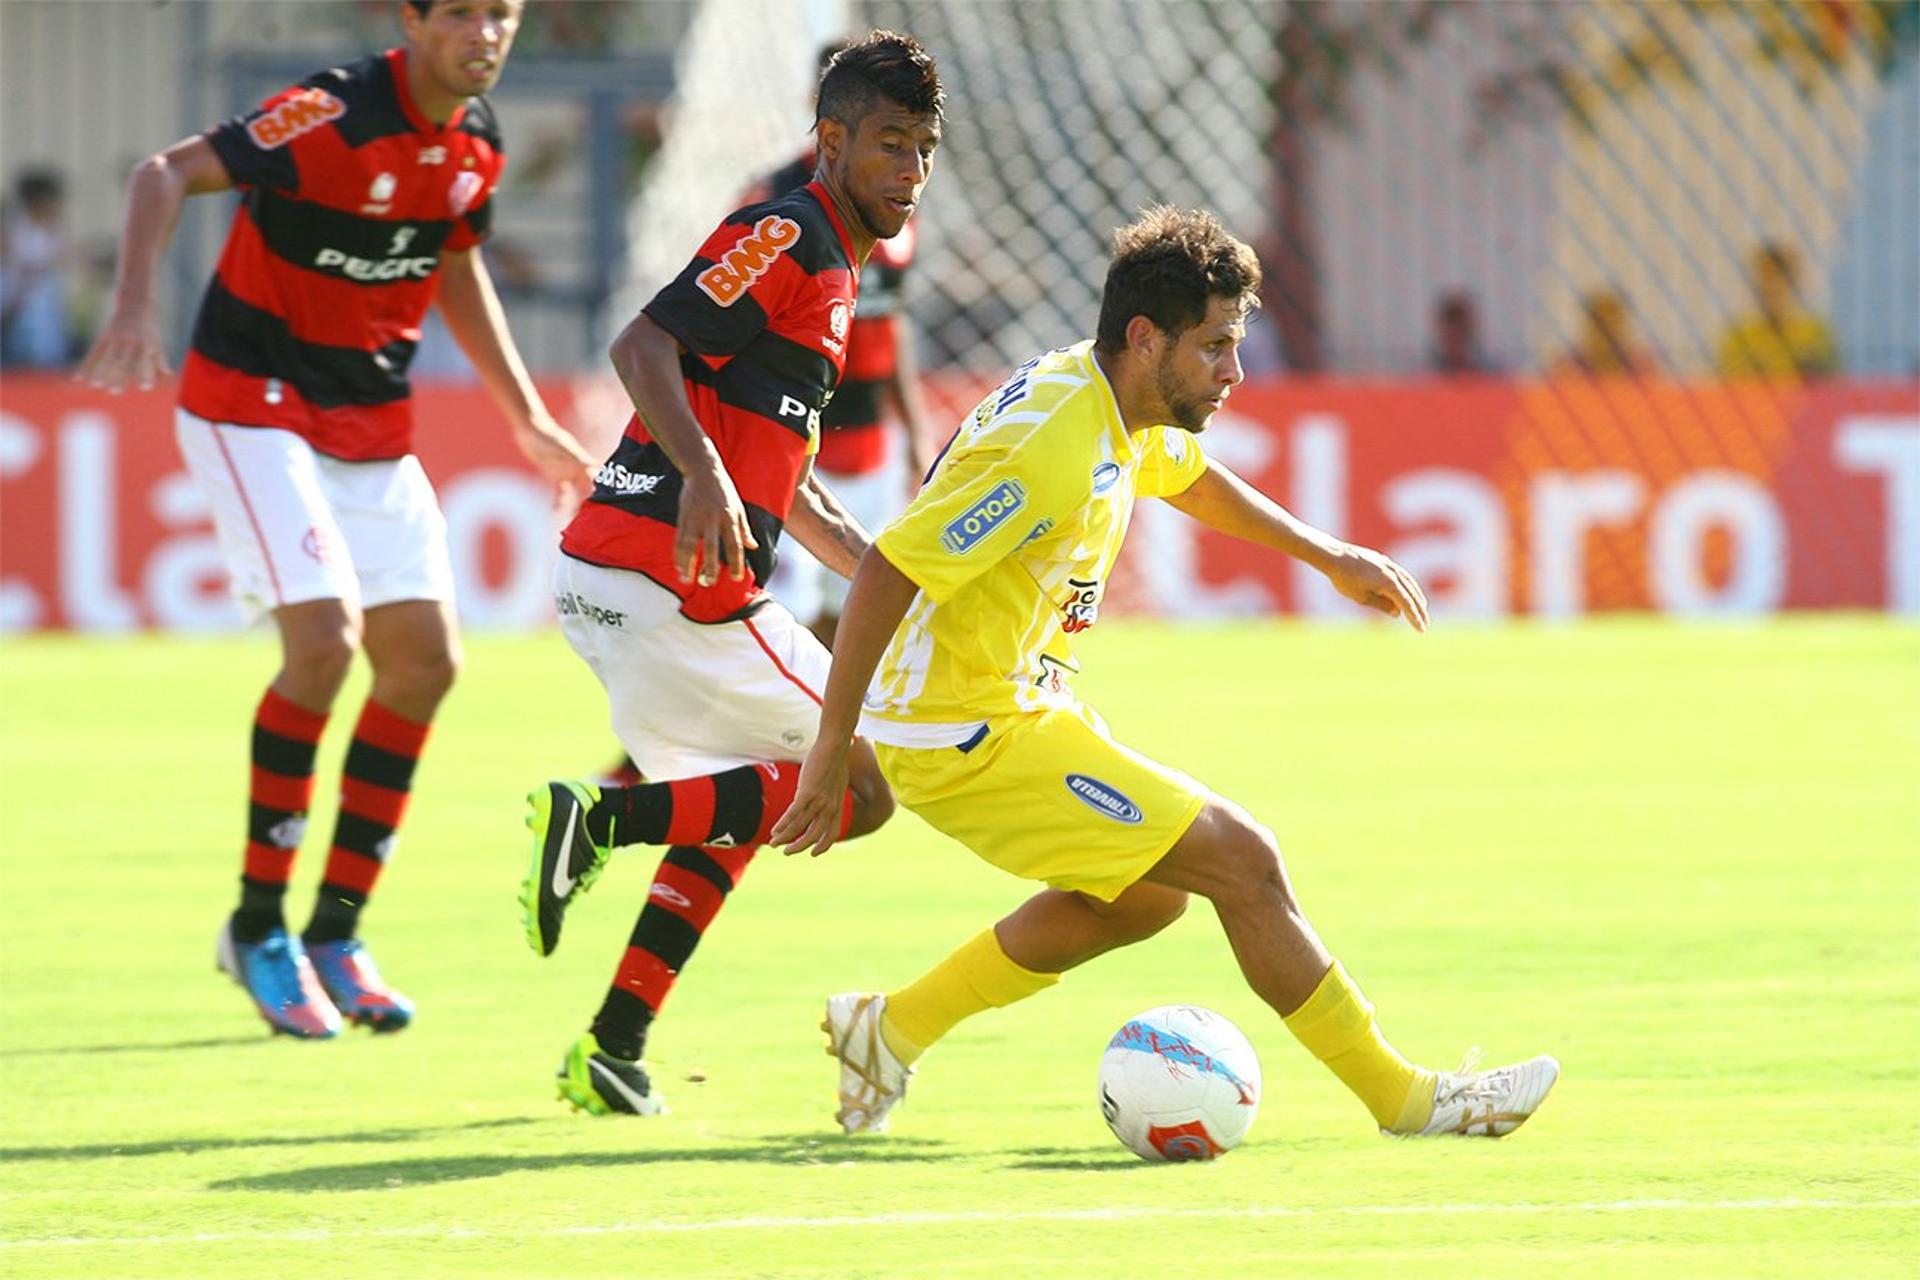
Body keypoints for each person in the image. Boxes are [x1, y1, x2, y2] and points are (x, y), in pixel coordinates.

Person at [772, 206, 1560, 1141]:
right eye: (1216, 347)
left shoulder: (1116, 398)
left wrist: (1327, 555)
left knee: (1149, 896)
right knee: (1243, 860)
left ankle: (890, 1028)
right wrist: (832, 745)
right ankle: (1407, 1100)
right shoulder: (1049, 446)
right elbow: (891, 569)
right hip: (961, 731)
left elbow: (1182, 473)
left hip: (1010, 702)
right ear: (1147, 339)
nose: (1233, 371)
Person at [76, 0, 596, 1040]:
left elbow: (454, 263)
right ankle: (257, 925)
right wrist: (133, 303)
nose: (484, 33)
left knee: (426, 663)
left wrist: (527, 417)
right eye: (459, 14)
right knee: (324, 641)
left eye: (501, 13)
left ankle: (335, 932)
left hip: (367, 420)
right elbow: (163, 173)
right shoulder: (330, 111)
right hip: (250, 399)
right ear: (410, 19)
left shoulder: (477, 143)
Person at [520, 31, 945, 1117]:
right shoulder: (788, 231)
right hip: (662, 568)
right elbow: (641, 344)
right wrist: (704, 479)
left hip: (639, 582)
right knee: (850, 789)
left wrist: (896, 573)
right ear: (834, 140)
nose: (910, 169)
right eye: (890, 144)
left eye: (925, 148)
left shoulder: (841, 268)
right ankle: (599, 819)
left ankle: (612, 1045)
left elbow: (793, 489)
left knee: (739, 807)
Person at [1715, 241, 1839, 379]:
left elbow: (1832, 387)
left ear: (1793, 284)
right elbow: (1729, 388)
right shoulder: (1739, 337)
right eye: (1767, 279)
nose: (1773, 287)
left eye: (1780, 280)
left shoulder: (1815, 334)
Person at [0, 168, 72, 367]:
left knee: (46, 356)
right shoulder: (13, 227)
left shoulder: (51, 227)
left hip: (42, 303)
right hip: (16, 302)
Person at [1554, 288, 1656, 377]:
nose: (1607, 329)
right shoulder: (1569, 368)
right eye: (1600, 322)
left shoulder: (1641, 366)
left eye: (1612, 321)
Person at [1429, 289, 1493, 375]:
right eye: (1451, 338)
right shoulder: (1425, 375)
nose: (1456, 343)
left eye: (1462, 335)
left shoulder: (1491, 373)